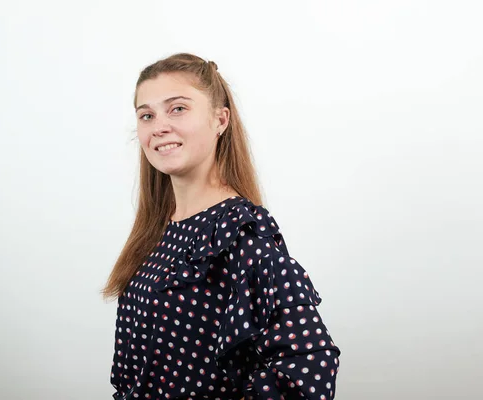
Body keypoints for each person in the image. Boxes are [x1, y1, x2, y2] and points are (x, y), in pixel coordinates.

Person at [102, 53, 341, 399]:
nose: (159, 126)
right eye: (146, 115)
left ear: (220, 120)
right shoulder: (156, 231)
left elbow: (307, 371)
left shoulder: (242, 233)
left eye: (178, 108)